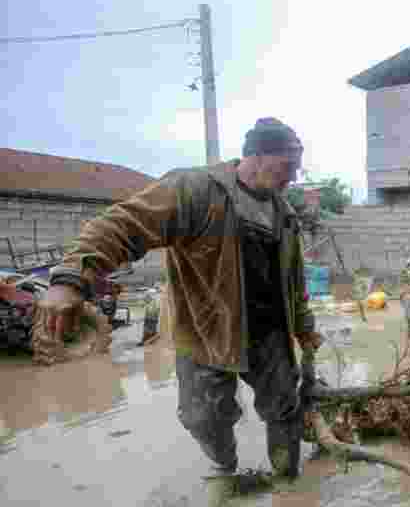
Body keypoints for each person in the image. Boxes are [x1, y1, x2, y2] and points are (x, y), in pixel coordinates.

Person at [36, 117, 324, 477]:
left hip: (269, 335)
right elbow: (124, 224)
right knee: (203, 418)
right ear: (257, 154)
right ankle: (228, 470)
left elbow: (294, 282)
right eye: (287, 166)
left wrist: (304, 326)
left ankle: (287, 483)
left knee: (284, 410)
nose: (293, 177)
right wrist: (71, 279)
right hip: (207, 331)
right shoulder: (197, 189)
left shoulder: (285, 215)